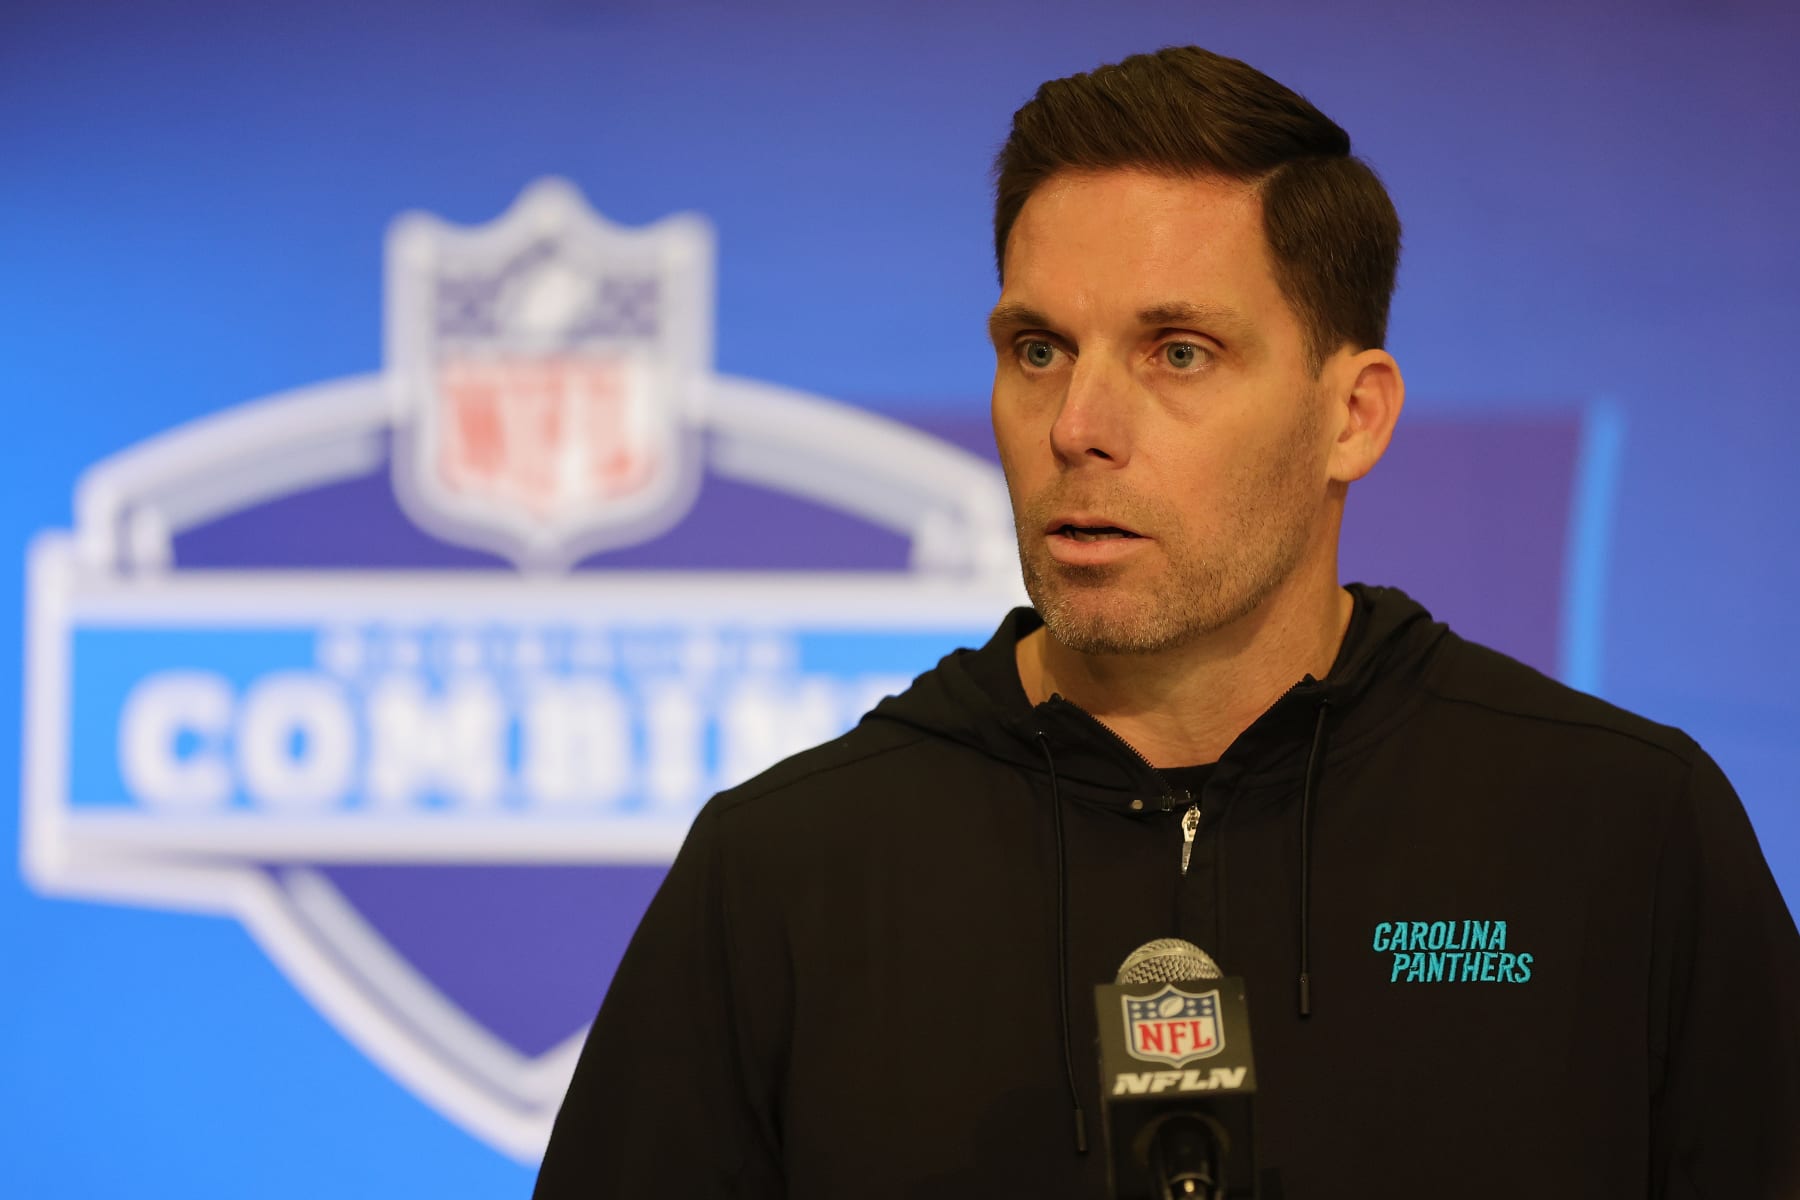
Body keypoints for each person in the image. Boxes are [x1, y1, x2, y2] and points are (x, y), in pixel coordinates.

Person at [534, 46, 1800, 1199]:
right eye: (1038, 349)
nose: (1077, 424)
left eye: (1177, 352)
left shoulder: (1621, 830)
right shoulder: (783, 872)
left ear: (1351, 416)